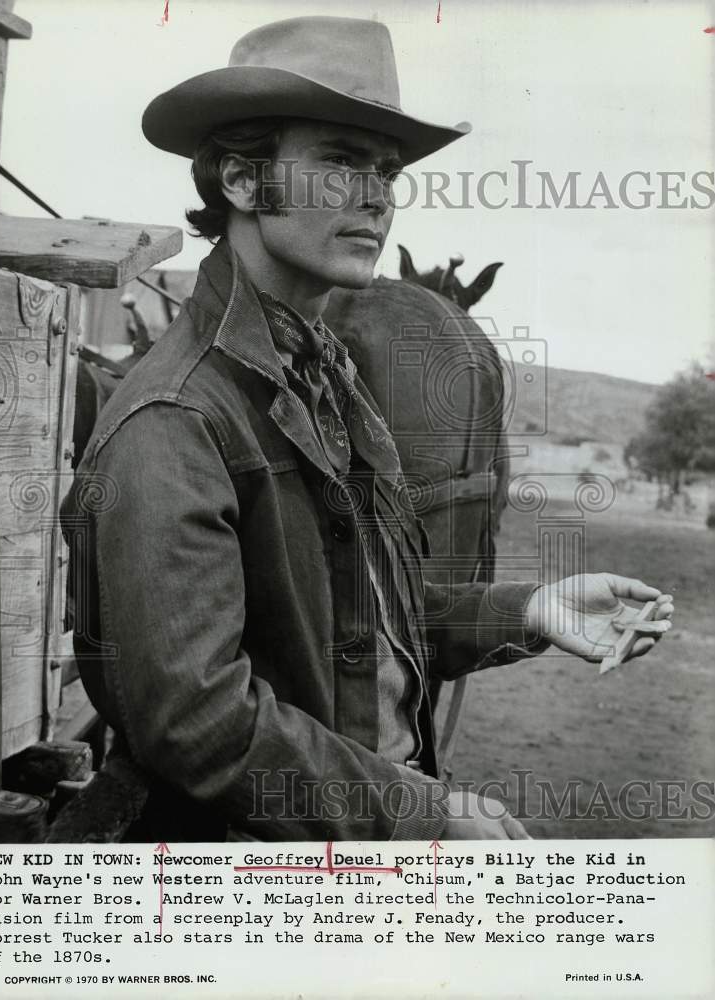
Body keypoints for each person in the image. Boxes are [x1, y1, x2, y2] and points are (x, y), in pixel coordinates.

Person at [60, 15, 673, 842]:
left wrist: (530, 610)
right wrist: (424, 815)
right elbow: (195, 723)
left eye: (385, 171)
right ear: (242, 181)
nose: (378, 196)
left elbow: (352, 618)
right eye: (342, 163)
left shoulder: (324, 380)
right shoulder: (178, 419)